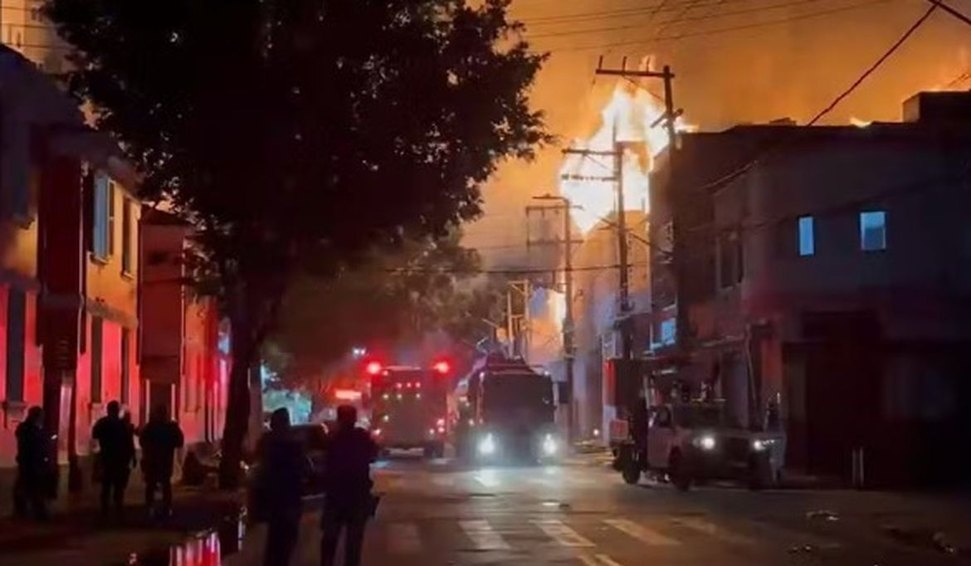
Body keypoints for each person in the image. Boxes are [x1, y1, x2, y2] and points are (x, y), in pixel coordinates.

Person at [320, 404, 377, 566]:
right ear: (354, 419)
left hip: (337, 495)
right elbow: (373, 455)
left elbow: (327, 464)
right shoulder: (361, 437)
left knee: (330, 539)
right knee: (353, 543)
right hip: (356, 495)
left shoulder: (333, 439)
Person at [258, 408, 307, 566]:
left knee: (275, 539)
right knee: (287, 540)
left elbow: (262, 470)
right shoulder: (294, 445)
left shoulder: (267, 443)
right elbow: (305, 469)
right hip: (290, 498)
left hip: (275, 499)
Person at [138, 404, 184, 518]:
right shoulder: (170, 427)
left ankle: (151, 507)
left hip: (153, 460)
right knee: (165, 484)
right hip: (164, 460)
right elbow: (179, 442)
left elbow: (142, 441)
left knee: (151, 485)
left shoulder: (151, 427)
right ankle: (166, 508)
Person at [92, 401, 136, 518]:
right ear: (117, 411)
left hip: (107, 458)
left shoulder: (102, 423)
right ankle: (118, 511)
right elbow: (129, 442)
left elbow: (95, 435)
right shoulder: (122, 425)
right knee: (118, 488)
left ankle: (105, 512)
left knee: (106, 487)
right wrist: (133, 457)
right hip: (120, 460)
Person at [13, 406, 50, 520]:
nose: (42, 419)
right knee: (34, 487)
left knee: (26, 486)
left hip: (29, 461)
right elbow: (36, 446)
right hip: (32, 462)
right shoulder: (31, 430)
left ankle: (24, 509)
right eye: (41, 416)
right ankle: (37, 512)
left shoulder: (26, 428)